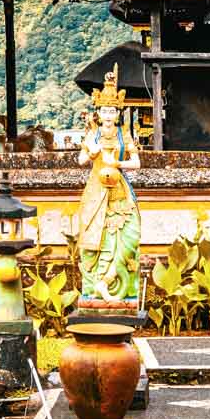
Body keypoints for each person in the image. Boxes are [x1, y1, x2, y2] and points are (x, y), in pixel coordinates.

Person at [74, 67, 142, 300]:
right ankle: (95, 284)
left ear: (117, 113)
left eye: (112, 111)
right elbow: (81, 160)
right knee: (97, 236)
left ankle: (113, 279)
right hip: (96, 190)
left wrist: (118, 163)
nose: (109, 115)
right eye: (105, 110)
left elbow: (136, 162)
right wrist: (92, 154)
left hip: (119, 189)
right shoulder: (92, 135)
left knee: (130, 234)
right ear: (99, 113)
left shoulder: (124, 134)